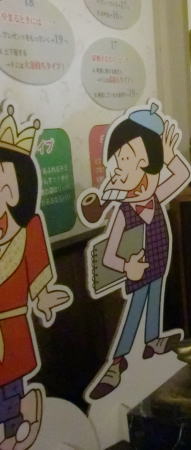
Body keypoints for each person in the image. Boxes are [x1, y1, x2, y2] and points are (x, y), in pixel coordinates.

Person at [87, 103, 191, 400]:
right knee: (134, 310)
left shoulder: (155, 197)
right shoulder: (123, 212)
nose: (122, 166)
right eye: (120, 159)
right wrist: (127, 267)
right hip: (136, 271)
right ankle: (117, 361)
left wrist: (170, 156)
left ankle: (152, 341)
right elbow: (108, 256)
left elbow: (182, 174)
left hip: (158, 262)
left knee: (155, 299)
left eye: (129, 158)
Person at [0, 105, 72, 449]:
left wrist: (44, 298)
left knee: (11, 383)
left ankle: (14, 428)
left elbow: (38, 277)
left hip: (13, 325)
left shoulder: (29, 230)